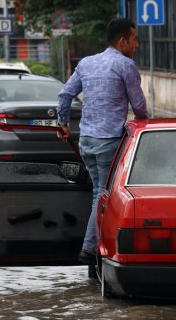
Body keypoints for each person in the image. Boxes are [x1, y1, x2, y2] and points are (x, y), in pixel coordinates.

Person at [57, 18, 148, 263]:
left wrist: (63, 124)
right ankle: (89, 249)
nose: (136, 45)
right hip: (109, 141)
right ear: (123, 41)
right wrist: (146, 124)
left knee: (98, 192)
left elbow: (65, 94)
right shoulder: (125, 65)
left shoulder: (86, 63)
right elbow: (139, 105)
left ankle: (96, 247)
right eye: (135, 39)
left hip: (86, 140)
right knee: (102, 194)